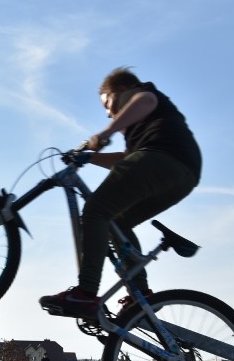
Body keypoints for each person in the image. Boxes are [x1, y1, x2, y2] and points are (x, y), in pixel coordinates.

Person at [40, 67, 201, 318]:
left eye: (108, 104)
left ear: (122, 91)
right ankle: (141, 294)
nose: (108, 113)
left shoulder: (144, 94)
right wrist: (90, 157)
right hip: (183, 175)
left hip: (164, 159)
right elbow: (127, 159)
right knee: (117, 222)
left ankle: (86, 293)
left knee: (95, 210)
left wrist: (105, 133)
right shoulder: (143, 127)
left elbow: (145, 101)